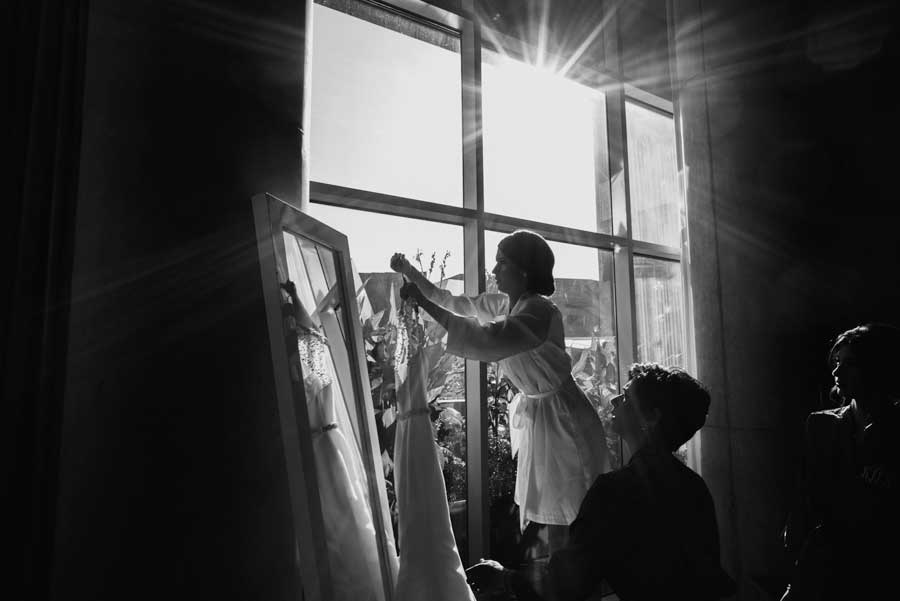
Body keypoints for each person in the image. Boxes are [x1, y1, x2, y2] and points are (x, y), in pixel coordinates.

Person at [390, 230, 609, 554]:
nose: (493, 271)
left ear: (523, 270)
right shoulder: (505, 303)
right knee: (555, 520)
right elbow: (451, 301)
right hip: (542, 419)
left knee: (573, 520)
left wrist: (422, 302)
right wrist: (409, 270)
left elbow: (490, 340)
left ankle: (574, 587)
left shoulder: (539, 311)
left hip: (564, 421)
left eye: (500, 263)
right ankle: (561, 586)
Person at [467, 363, 735, 601]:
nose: (614, 401)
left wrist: (503, 577)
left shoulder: (615, 492)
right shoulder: (693, 486)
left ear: (652, 418)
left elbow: (567, 584)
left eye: (627, 397)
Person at [781, 323, 900, 601]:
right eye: (836, 362)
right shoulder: (821, 425)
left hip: (884, 564)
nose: (836, 371)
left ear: (877, 367)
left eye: (850, 363)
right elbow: (806, 492)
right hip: (827, 561)